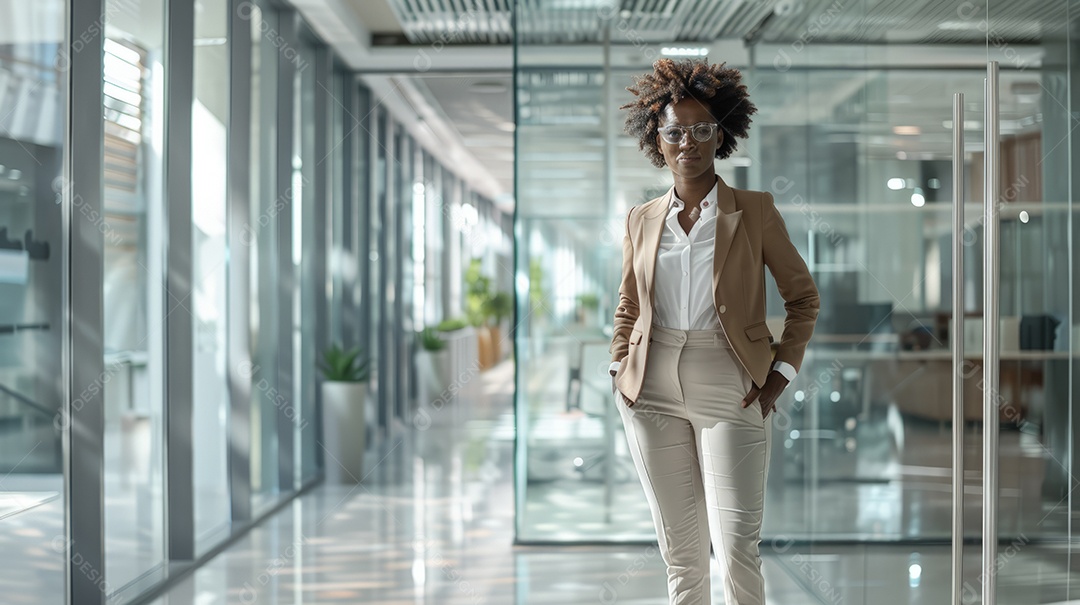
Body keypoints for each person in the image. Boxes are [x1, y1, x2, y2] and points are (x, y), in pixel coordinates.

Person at [608, 58, 819, 605]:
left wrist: (778, 379)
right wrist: (618, 370)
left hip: (732, 382)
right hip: (651, 386)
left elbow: (803, 299)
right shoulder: (641, 218)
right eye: (675, 131)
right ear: (658, 138)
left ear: (720, 133)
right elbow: (629, 303)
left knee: (736, 550)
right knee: (681, 556)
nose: (688, 142)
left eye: (701, 129)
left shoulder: (753, 211)